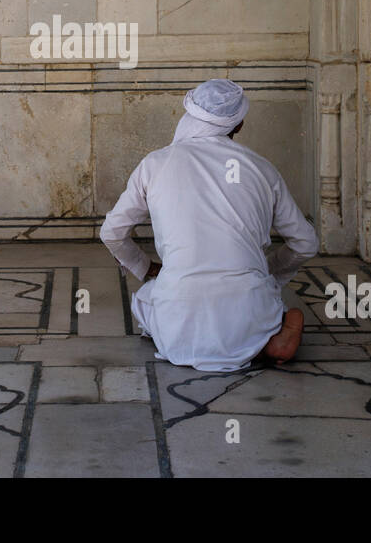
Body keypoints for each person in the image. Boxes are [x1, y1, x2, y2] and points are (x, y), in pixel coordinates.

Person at [99, 78, 318, 372]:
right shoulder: (262, 168)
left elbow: (111, 233)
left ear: (189, 113)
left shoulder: (155, 164)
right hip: (249, 310)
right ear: (238, 125)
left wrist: (144, 267)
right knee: (269, 304)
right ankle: (270, 340)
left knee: (147, 299)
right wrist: (268, 270)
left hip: (178, 326)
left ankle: (201, 334)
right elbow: (306, 242)